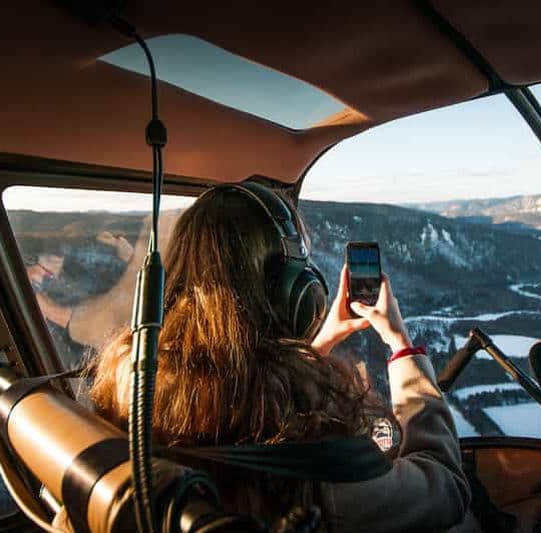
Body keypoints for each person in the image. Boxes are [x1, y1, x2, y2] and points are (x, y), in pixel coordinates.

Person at [84, 184, 470, 531]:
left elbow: (238, 392)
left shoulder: (133, 382)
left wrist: (321, 343)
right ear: (292, 293)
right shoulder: (312, 453)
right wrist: (400, 345)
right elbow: (444, 489)